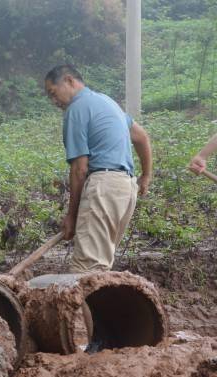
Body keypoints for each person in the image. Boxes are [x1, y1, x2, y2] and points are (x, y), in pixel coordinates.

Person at [44, 65, 153, 272]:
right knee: (99, 267)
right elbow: (141, 137)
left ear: (69, 81)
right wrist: (145, 175)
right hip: (126, 189)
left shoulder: (76, 109)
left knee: (86, 271)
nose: (53, 100)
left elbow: (79, 169)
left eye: (53, 92)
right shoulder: (106, 101)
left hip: (104, 188)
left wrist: (72, 216)